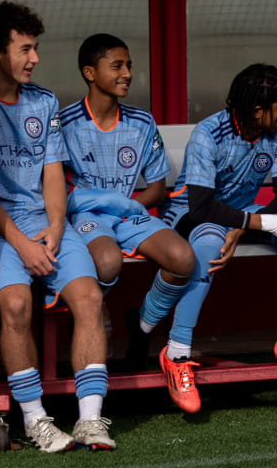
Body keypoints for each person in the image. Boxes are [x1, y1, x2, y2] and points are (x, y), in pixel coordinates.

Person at [0, 2, 113, 450]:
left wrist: (54, 227)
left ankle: (91, 419)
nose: (34, 59)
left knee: (89, 296)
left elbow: (53, 171)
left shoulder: (44, 100)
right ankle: (36, 421)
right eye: (25, 49)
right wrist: (19, 241)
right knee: (14, 306)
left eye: (36, 48)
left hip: (45, 222)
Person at [142, 64, 277, 413]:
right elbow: (202, 206)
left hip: (242, 212)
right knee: (208, 248)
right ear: (257, 111)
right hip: (191, 215)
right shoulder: (210, 133)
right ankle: (176, 354)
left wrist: (247, 225)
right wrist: (250, 222)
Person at [58, 34, 196, 368]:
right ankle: (97, 313)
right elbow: (56, 190)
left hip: (130, 216)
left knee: (183, 259)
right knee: (107, 262)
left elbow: (158, 188)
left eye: (129, 66)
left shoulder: (141, 122)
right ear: (90, 73)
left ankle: (144, 321)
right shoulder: (64, 123)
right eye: (117, 65)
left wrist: (127, 205)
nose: (127, 73)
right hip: (86, 219)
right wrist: (99, 202)